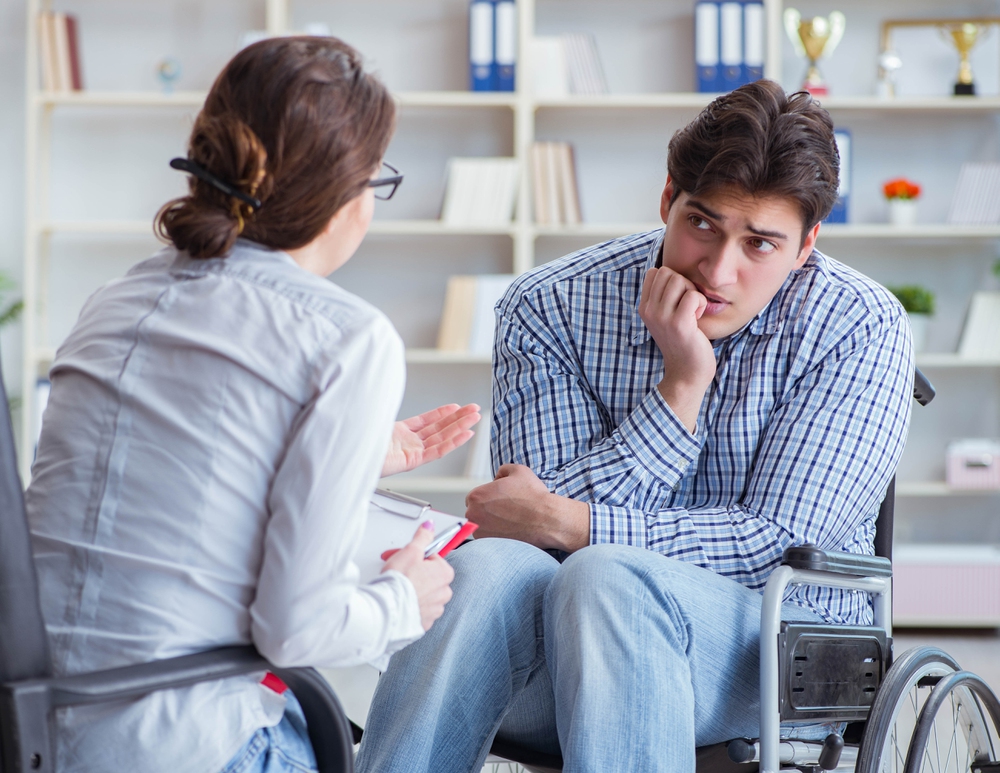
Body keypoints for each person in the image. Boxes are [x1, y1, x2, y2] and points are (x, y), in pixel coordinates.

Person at [356, 79, 914, 773]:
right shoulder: (551, 305)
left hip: (774, 652)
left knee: (609, 576)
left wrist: (582, 527)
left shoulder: (859, 324)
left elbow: (781, 542)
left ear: (806, 247)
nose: (718, 269)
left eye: (760, 244)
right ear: (667, 200)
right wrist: (679, 393)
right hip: (563, 648)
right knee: (487, 567)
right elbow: (533, 531)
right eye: (702, 224)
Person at [26, 36, 476, 773]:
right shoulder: (347, 338)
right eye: (375, 181)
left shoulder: (114, 300)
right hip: (184, 744)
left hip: (35, 733)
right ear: (340, 195)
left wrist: (360, 450)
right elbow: (297, 630)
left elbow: (172, 494)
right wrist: (404, 598)